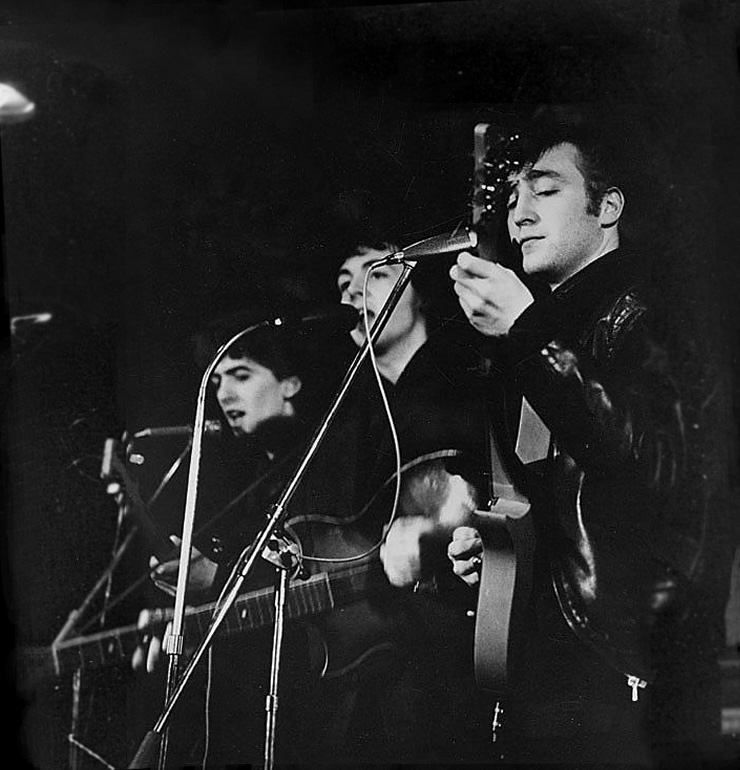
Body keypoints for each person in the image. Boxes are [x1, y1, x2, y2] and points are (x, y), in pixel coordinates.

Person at [384, 105, 731, 766]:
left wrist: (528, 335)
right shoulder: (536, 330)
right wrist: (492, 549)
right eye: (514, 197)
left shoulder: (651, 315)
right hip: (545, 663)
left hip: (625, 666)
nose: (519, 214)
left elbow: (653, 464)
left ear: (608, 208)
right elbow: (546, 496)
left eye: (545, 191)